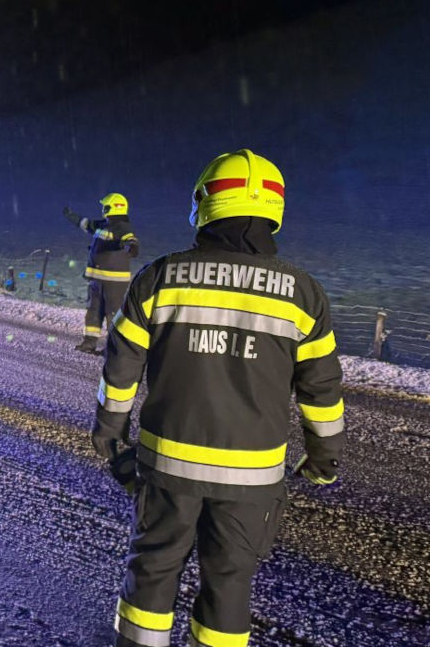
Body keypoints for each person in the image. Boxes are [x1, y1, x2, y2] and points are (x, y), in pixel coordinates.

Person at [93, 149, 344, 647]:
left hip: (169, 469)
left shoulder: (160, 279)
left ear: (204, 203)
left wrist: (109, 435)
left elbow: (121, 370)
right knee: (230, 584)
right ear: (275, 209)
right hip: (252, 480)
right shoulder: (303, 294)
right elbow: (322, 393)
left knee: (153, 571)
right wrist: (323, 461)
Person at [64, 192, 140, 353]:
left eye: (104, 207)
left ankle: (115, 348)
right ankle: (89, 342)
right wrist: (71, 216)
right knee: (93, 311)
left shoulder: (122, 226)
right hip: (97, 280)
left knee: (113, 313)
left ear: (110, 208)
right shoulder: (104, 226)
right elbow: (86, 224)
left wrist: (131, 247)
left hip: (114, 282)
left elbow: (130, 239)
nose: (102, 209)